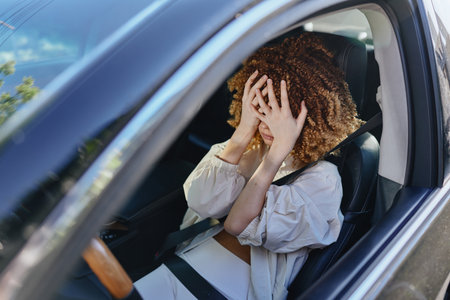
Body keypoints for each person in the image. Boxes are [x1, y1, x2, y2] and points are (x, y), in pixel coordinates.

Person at [135, 32, 363, 300]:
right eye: (261, 109)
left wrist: (278, 151)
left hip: (232, 290)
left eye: (278, 115)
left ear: (308, 116)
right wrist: (243, 130)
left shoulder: (323, 179)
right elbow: (201, 201)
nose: (265, 124)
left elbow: (237, 224)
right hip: (184, 263)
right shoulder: (251, 149)